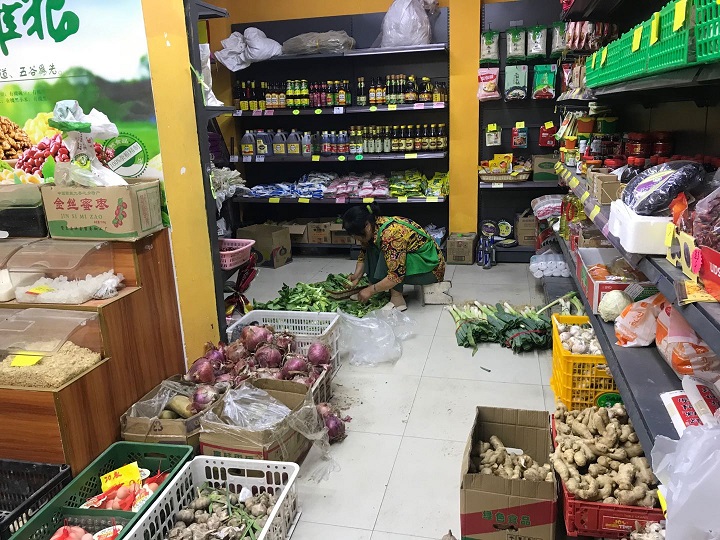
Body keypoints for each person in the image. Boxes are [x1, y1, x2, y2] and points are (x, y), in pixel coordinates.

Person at [342, 203, 445, 311]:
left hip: (431, 268)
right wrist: (356, 276)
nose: (356, 239)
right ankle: (377, 288)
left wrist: (370, 290)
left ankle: (397, 300)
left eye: (356, 236)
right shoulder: (375, 225)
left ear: (367, 226)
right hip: (418, 261)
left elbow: (396, 275)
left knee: (390, 256)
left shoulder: (391, 234)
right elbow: (363, 254)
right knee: (372, 248)